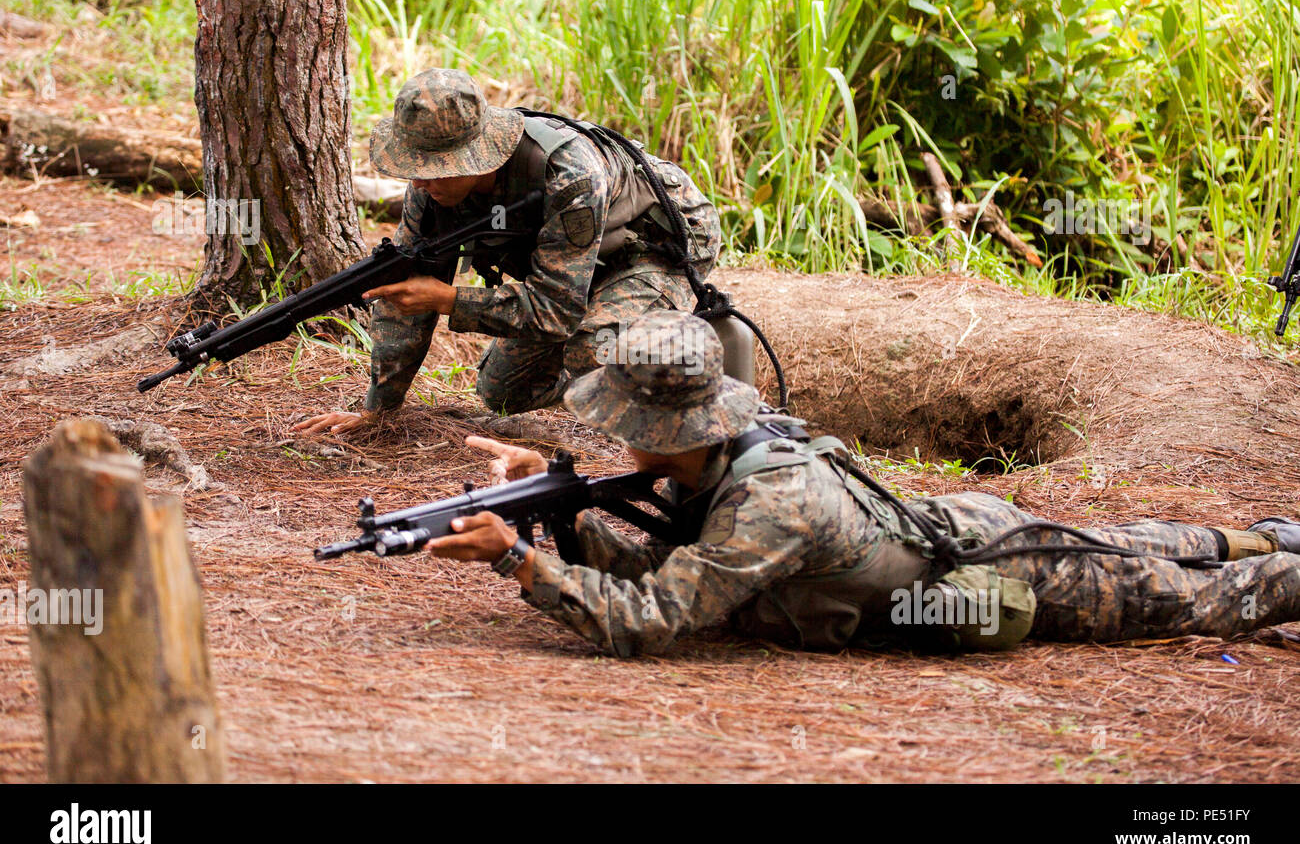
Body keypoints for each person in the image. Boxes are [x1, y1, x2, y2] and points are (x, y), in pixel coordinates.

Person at [417, 310, 1300, 658]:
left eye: (620, 418)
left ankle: (1281, 558)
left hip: (986, 577)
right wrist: (560, 510)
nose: (606, 429)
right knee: (1147, 545)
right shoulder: (717, 455)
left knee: (1192, 602)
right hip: (956, 526)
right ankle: (1271, 530)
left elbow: (654, 619)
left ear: (659, 431)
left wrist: (520, 564)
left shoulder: (769, 504)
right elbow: (674, 560)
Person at [295, 67, 721, 437]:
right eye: (415, 169)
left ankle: (669, 357)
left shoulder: (567, 173)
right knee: (502, 392)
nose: (421, 182)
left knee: (592, 347)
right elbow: (401, 295)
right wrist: (378, 408)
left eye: (434, 170)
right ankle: (604, 347)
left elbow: (554, 312)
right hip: (574, 267)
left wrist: (448, 299)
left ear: (477, 157)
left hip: (657, 246)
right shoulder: (430, 192)